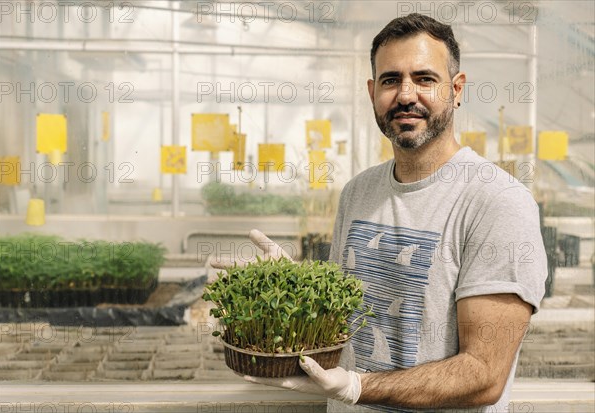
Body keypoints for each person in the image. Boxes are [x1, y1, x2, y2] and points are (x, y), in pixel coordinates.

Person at [213, 13, 547, 413]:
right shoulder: (360, 191)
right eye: (391, 80)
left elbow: (484, 374)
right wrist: (288, 283)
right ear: (373, 92)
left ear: (456, 89)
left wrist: (357, 386)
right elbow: (345, 320)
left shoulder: (496, 200)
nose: (406, 95)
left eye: (425, 79)